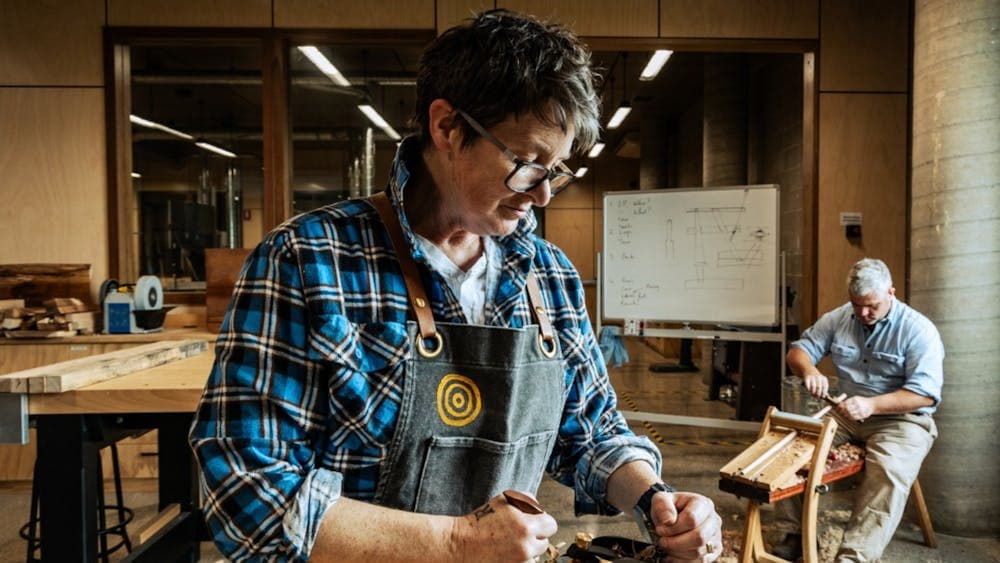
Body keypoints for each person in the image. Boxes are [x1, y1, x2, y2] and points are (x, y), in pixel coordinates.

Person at [189, 9, 722, 562]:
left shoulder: (548, 274)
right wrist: (454, 543)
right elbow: (245, 489)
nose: (541, 194)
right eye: (527, 162)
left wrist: (658, 502)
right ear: (446, 126)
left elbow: (590, 431)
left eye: (556, 170)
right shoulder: (307, 260)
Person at [773, 258, 944, 562]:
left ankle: (854, 557)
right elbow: (798, 352)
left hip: (901, 420)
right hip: (846, 413)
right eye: (856, 305)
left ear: (891, 293)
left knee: (888, 470)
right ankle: (794, 533)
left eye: (871, 306)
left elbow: (925, 395)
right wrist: (809, 371)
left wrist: (872, 404)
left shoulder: (919, 331)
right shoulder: (839, 318)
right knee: (792, 448)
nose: (863, 314)